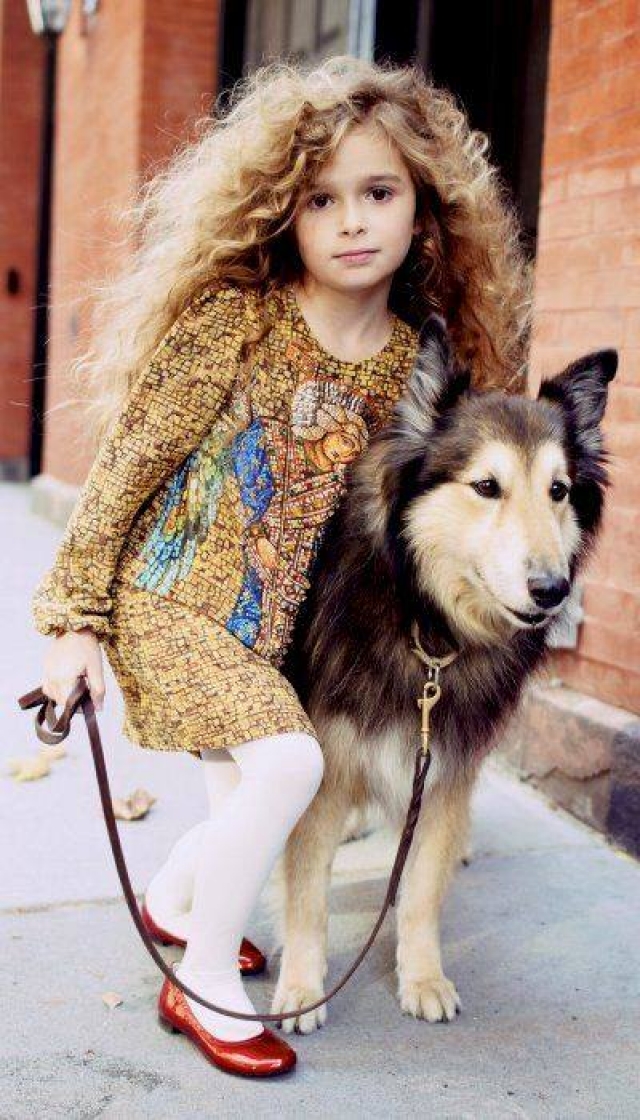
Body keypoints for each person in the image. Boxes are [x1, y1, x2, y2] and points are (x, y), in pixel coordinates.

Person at [33, 54, 533, 1078]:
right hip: (175, 601)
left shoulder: (412, 363)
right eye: (321, 199)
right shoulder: (237, 320)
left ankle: (178, 899)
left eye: (378, 193)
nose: (352, 222)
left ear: (423, 211)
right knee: (291, 766)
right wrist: (75, 621)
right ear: (283, 213)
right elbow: (128, 465)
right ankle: (203, 978)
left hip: (280, 633)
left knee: (253, 807)